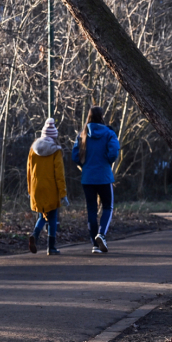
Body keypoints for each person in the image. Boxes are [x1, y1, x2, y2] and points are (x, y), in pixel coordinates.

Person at [72, 106, 120, 254]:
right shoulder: (109, 133)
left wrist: (85, 165)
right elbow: (113, 152)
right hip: (104, 176)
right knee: (107, 207)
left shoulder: (82, 134)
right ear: (102, 116)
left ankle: (94, 243)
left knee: (91, 210)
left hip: (88, 178)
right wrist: (105, 161)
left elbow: (75, 156)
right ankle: (102, 235)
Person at [27, 118, 67, 255]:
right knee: (53, 216)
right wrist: (63, 194)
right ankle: (51, 247)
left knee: (42, 216)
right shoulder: (56, 151)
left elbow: (29, 171)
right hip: (51, 188)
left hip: (36, 187)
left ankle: (35, 234)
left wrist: (29, 190)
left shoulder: (33, 148)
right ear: (54, 136)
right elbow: (59, 174)